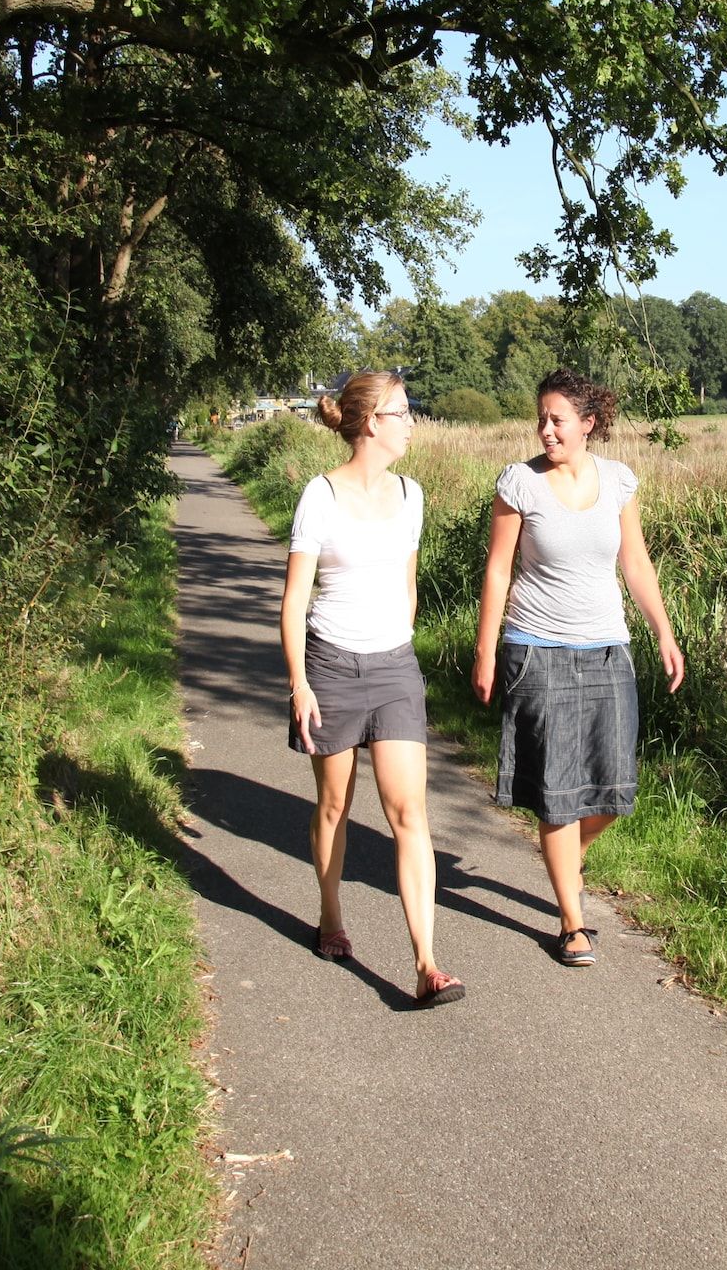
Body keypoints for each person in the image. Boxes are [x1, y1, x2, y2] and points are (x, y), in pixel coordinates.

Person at [472, 368, 685, 967]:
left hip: (607, 650)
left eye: (557, 419)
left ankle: (566, 856)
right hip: (536, 652)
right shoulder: (520, 484)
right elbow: (498, 570)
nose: (545, 430)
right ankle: (572, 921)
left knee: (613, 793)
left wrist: (663, 632)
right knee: (560, 794)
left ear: (588, 423)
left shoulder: (618, 481)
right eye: (540, 418)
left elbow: (636, 563)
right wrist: (486, 649)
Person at [280, 371, 463, 1006]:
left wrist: (399, 646)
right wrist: (301, 683)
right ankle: (331, 914)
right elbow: (295, 598)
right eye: (403, 412)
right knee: (334, 806)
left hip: (393, 670)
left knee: (409, 812)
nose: (413, 421)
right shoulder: (320, 495)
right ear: (370, 423)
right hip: (330, 667)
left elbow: (407, 583)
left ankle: (427, 963)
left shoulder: (412, 494)